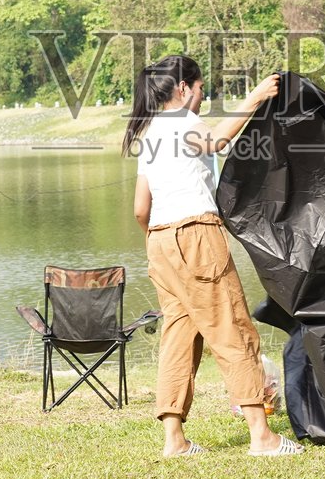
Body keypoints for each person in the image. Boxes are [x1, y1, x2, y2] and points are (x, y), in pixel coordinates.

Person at [123, 54, 303, 457]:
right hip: (196, 235)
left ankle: (175, 440)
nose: (203, 96)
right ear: (183, 88)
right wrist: (256, 97)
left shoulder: (150, 133)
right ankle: (262, 436)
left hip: (160, 241)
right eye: (201, 88)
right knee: (232, 329)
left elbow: (140, 208)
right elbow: (217, 141)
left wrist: (160, 243)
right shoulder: (183, 121)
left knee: (179, 338)